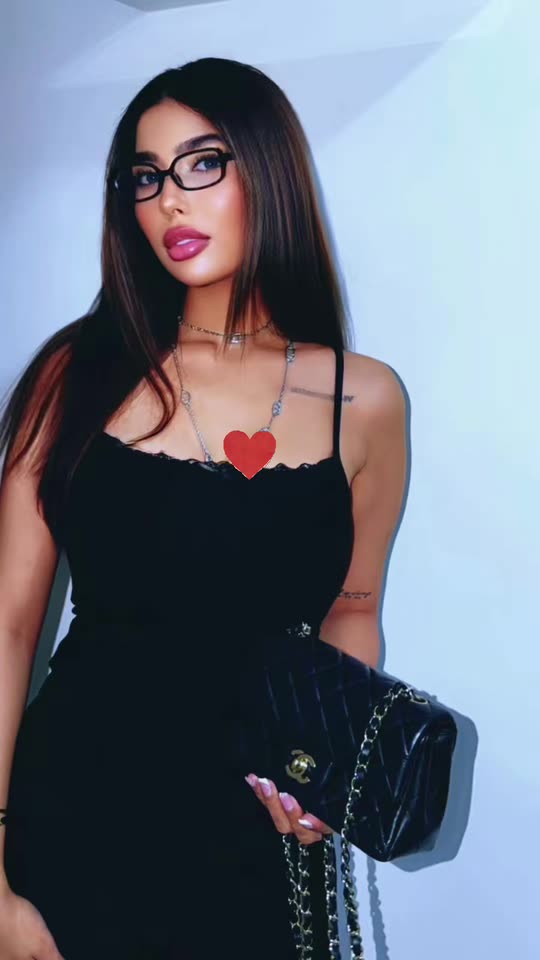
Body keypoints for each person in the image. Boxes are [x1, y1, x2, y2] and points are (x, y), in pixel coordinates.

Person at [0, 57, 407, 959]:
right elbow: (7, 628)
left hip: (260, 837)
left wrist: (323, 775)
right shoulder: (76, 374)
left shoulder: (366, 399)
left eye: (203, 163)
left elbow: (353, 607)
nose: (170, 201)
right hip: (78, 813)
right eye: (146, 177)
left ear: (268, 168)